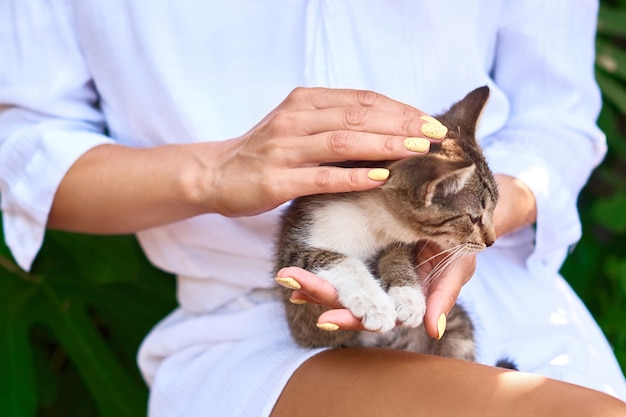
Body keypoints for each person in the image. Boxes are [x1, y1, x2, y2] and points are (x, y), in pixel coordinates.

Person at [1, 1, 626, 416]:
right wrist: (211, 173)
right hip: (258, 325)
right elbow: (25, 151)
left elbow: (557, 120)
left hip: (506, 295)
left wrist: (479, 223)